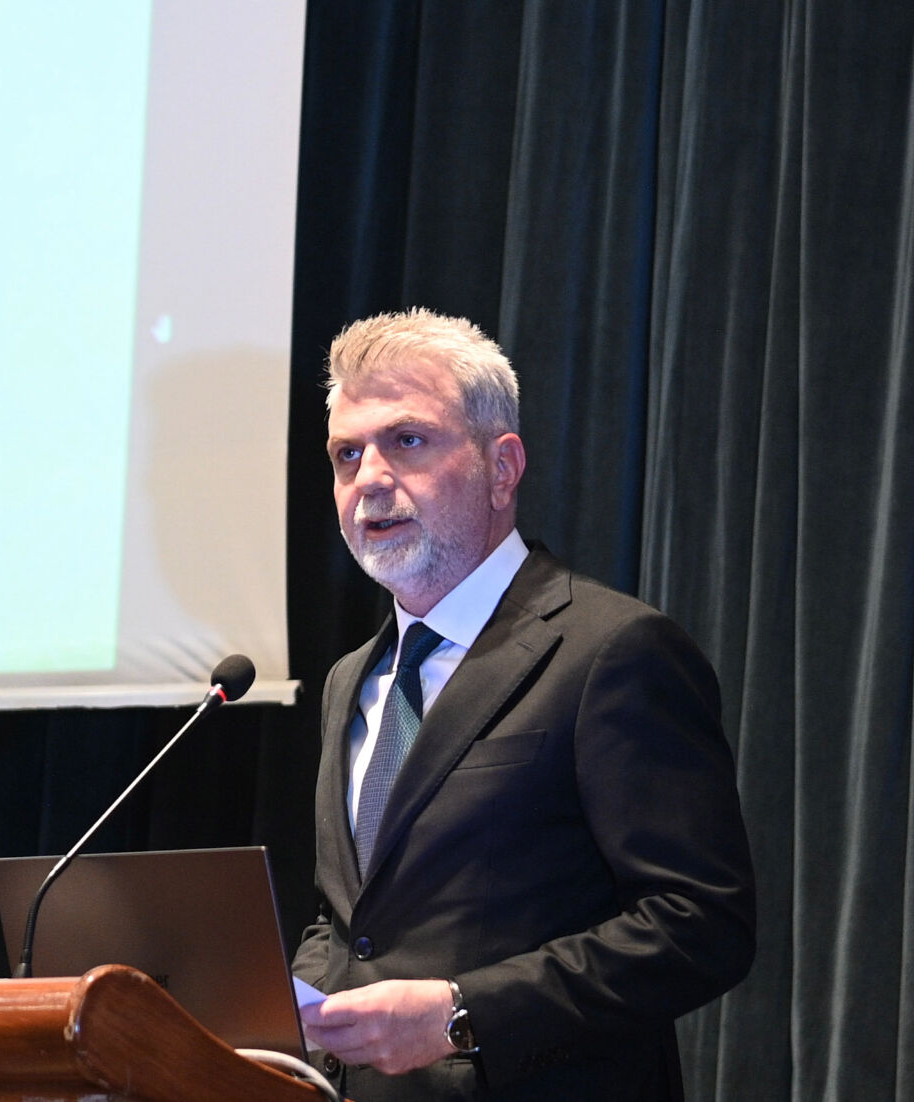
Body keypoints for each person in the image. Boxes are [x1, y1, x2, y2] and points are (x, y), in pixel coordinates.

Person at [293, 308, 755, 1101]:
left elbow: (701, 924)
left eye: (407, 440)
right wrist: (289, 1015)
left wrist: (463, 1013)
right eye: (347, 454)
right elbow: (350, 922)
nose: (368, 478)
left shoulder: (610, 651)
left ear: (502, 467)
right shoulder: (350, 680)